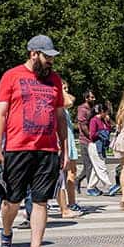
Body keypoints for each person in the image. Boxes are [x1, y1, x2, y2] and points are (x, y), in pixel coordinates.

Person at [0, 35, 68, 247]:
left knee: (41, 200)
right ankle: (6, 235)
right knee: (11, 202)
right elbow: (1, 114)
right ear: (34, 54)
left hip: (46, 150)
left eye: (52, 58)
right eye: (47, 57)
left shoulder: (54, 80)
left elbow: (60, 116)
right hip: (17, 148)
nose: (50, 63)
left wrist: (64, 147)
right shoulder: (11, 76)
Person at [57, 82, 83, 218]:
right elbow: (69, 100)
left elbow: (72, 99)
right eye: (64, 88)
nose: (67, 91)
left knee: (72, 172)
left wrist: (63, 91)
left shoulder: (64, 104)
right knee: (64, 175)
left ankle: (71, 202)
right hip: (63, 139)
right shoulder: (61, 103)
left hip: (69, 139)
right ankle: (68, 204)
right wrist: (61, 91)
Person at [86, 103, 117, 196]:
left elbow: (108, 129)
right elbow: (92, 135)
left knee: (96, 169)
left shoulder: (103, 121)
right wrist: (100, 133)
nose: (107, 114)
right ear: (102, 111)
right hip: (94, 146)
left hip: (101, 146)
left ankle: (90, 187)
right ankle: (109, 186)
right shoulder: (94, 120)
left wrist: (107, 123)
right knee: (101, 167)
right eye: (107, 112)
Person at [75, 90, 97, 194]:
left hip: (92, 140)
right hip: (85, 140)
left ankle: (78, 180)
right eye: (92, 97)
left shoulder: (93, 109)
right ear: (86, 98)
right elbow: (83, 125)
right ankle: (90, 187)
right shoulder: (82, 109)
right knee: (88, 165)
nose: (94, 99)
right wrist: (90, 136)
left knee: (91, 164)